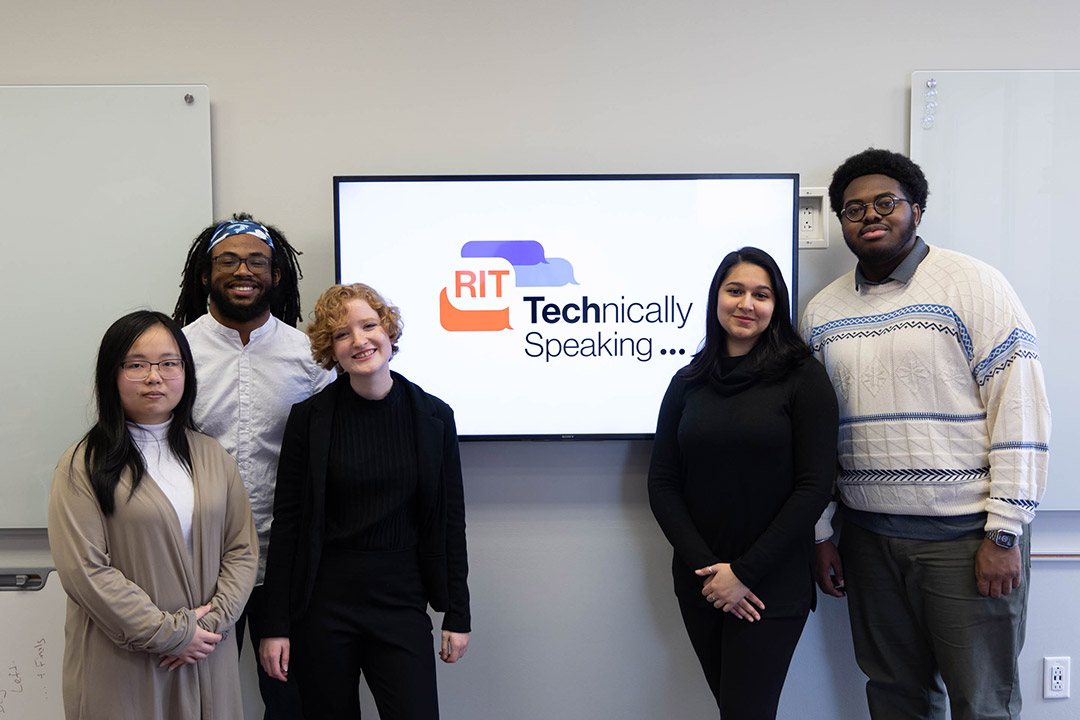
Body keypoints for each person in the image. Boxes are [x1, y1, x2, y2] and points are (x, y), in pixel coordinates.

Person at [801, 148, 1051, 720]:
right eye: (853, 208)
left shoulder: (974, 285)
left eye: (884, 202)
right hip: (866, 538)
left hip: (967, 541)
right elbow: (811, 435)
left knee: (981, 703)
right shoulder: (821, 312)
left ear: (916, 208)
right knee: (894, 695)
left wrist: (1005, 533)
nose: (870, 216)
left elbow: (1021, 409)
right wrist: (821, 533)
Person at [259, 283, 471, 720]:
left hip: (401, 601)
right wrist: (275, 626)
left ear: (389, 331)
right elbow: (288, 525)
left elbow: (451, 520)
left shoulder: (435, 417)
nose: (359, 341)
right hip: (323, 605)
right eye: (341, 334)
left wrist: (457, 612)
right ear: (329, 350)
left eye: (369, 325)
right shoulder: (308, 421)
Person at [648, 247, 838, 718]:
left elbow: (814, 486)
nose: (746, 304)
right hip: (703, 583)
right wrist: (712, 571)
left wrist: (743, 574)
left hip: (768, 585)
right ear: (716, 298)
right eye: (734, 291)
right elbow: (663, 483)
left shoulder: (804, 378)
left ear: (777, 306)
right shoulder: (687, 381)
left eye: (761, 294)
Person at [47, 310, 258, 720]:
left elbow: (242, 550)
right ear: (112, 374)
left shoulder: (213, 456)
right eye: (136, 364)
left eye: (168, 363)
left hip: (206, 653)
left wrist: (209, 625)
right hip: (126, 662)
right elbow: (86, 572)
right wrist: (172, 634)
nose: (154, 377)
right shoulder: (81, 465)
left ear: (186, 371)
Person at [174, 213, 335, 718]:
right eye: (228, 260)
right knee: (199, 695)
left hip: (285, 561)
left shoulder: (308, 355)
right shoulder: (175, 351)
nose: (243, 270)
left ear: (276, 276)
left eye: (256, 261)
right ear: (205, 274)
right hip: (199, 558)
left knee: (291, 698)